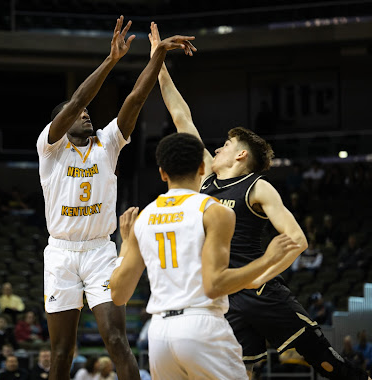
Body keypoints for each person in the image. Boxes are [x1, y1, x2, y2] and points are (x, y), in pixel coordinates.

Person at [148, 21, 371, 380]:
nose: (217, 147)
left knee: (330, 365)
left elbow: (297, 240)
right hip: (225, 297)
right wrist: (157, 62)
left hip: (262, 291)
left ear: (240, 157)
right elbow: (180, 114)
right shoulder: (204, 177)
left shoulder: (258, 186)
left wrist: (261, 276)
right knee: (240, 373)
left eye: (226, 145)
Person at [37, 15, 195, 380]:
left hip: (99, 251)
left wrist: (157, 57)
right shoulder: (50, 148)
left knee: (118, 341)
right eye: (78, 114)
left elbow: (137, 97)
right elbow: (78, 99)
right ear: (60, 123)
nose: (86, 114)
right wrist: (111, 60)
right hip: (60, 253)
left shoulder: (107, 143)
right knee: (61, 352)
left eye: (89, 112)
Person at [110, 132, 294, 379]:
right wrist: (268, 259)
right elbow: (214, 285)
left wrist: (125, 246)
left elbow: (118, 294)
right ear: (201, 168)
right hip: (201, 325)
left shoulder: (145, 218)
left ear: (163, 173)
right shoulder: (215, 212)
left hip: (159, 333)